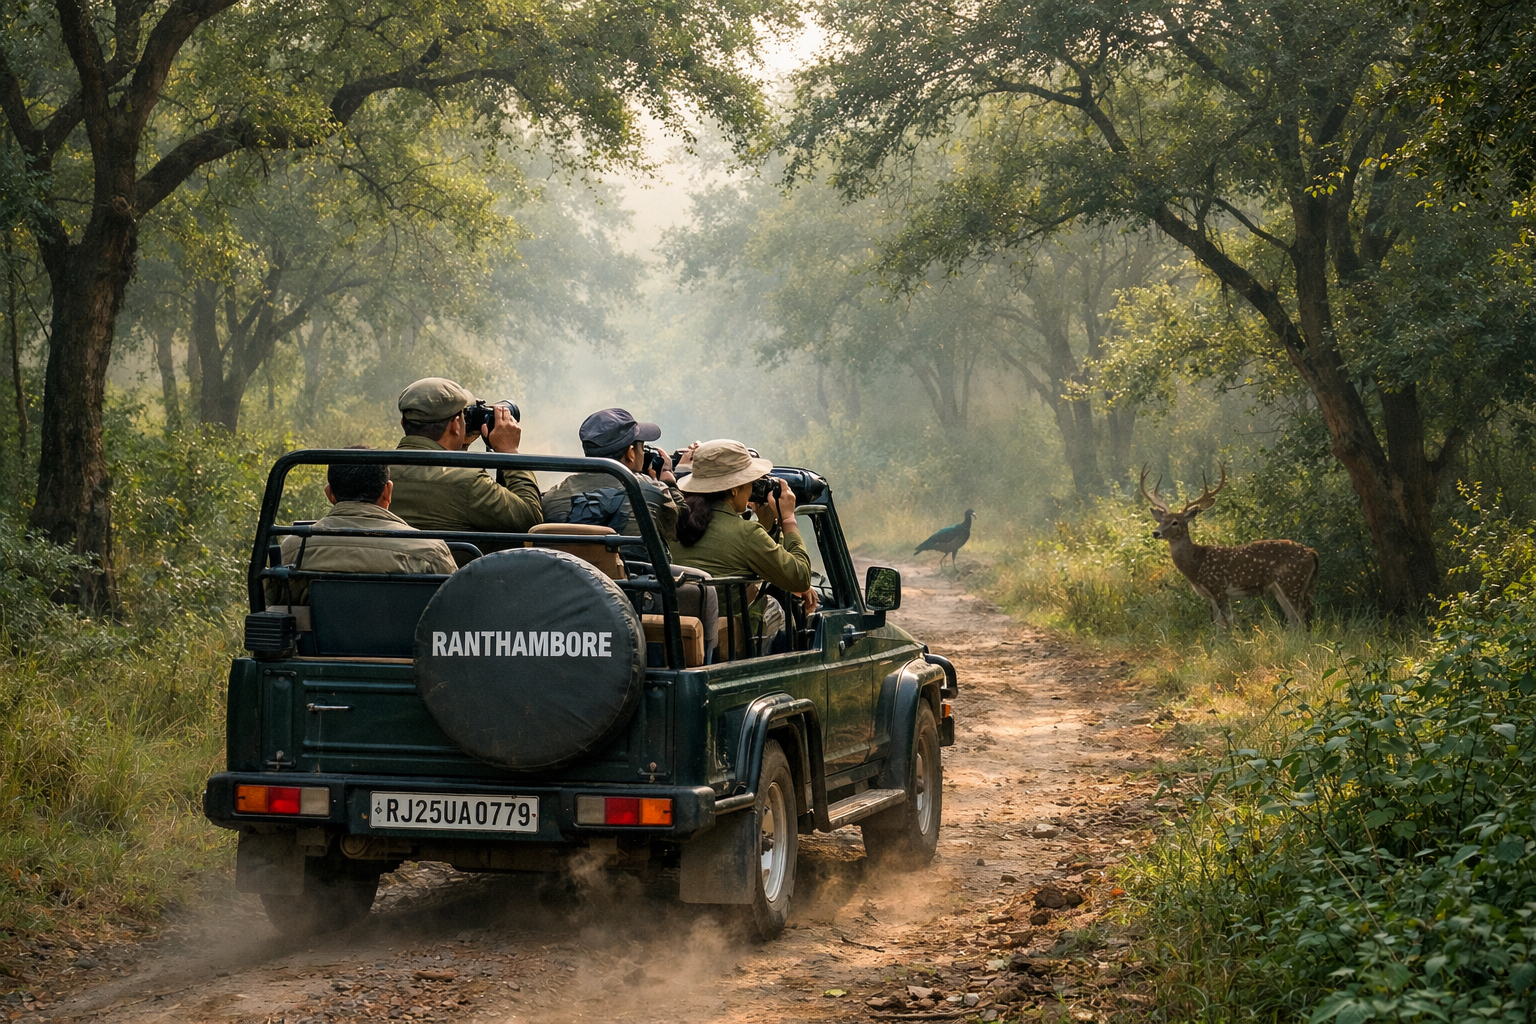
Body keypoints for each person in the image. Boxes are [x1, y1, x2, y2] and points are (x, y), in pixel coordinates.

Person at [669, 439, 818, 653]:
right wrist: (787, 519)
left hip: (679, 639)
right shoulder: (746, 533)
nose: (751, 490)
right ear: (735, 489)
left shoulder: (672, 522)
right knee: (773, 607)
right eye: (749, 483)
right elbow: (800, 577)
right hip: (723, 644)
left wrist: (767, 525)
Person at [266, 456, 456, 605]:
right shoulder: (429, 551)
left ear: (330, 494)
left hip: (314, 654)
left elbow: (269, 604)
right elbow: (457, 608)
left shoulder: (292, 548)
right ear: (387, 491)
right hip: (407, 654)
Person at [389, 378, 543, 546]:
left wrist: (462, 443)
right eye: (463, 416)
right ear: (456, 425)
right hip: (457, 571)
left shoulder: (378, 471)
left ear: (403, 423)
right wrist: (509, 452)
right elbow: (530, 519)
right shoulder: (469, 482)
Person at [541, 408, 686, 540]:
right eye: (642, 447)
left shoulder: (552, 496)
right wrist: (668, 481)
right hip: (633, 569)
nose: (644, 452)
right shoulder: (648, 490)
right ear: (631, 453)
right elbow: (682, 525)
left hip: (566, 568)